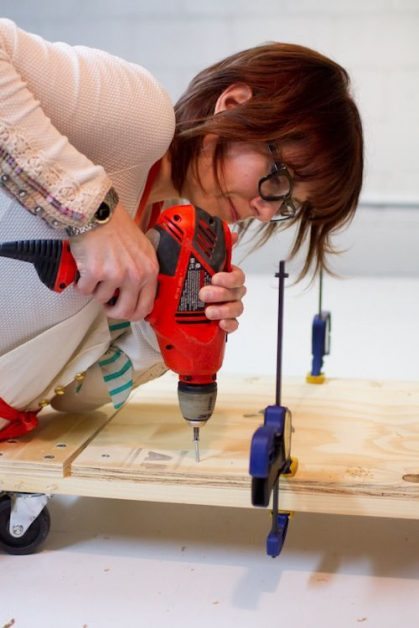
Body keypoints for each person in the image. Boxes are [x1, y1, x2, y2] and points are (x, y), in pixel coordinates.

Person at [0, 19, 363, 440]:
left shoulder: (165, 236)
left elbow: (69, 395)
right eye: (278, 179)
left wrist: (169, 326)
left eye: (288, 204)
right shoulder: (139, 119)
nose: (265, 212)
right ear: (234, 105)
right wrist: (92, 212)